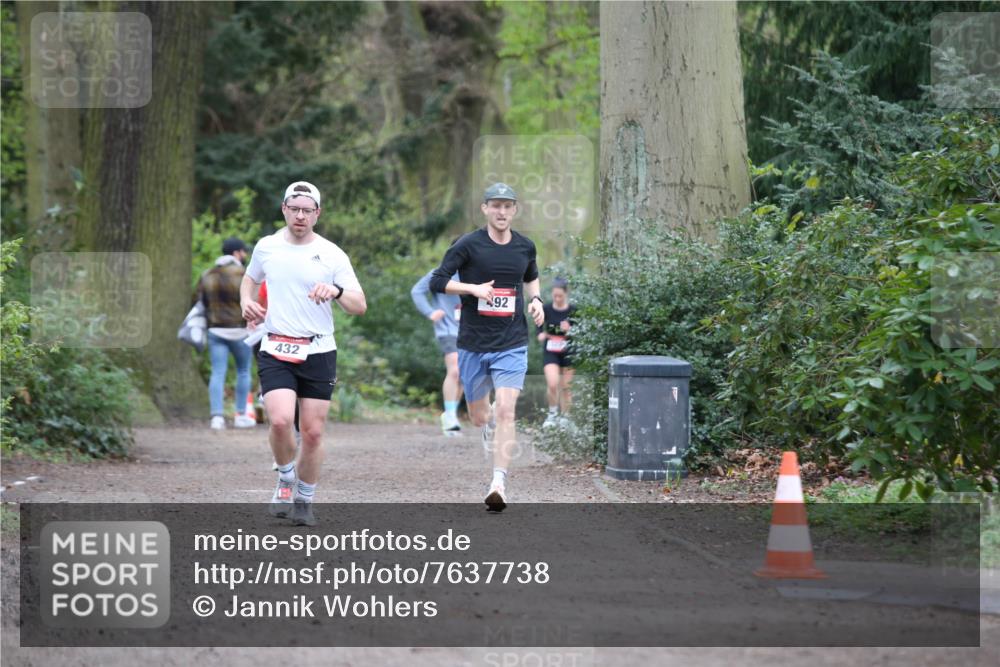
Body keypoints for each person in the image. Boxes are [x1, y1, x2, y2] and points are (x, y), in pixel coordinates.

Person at [240, 181, 366, 527]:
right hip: (276, 346)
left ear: (317, 214)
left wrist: (336, 290)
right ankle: (285, 477)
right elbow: (250, 279)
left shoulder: (332, 254)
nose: (300, 216)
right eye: (294, 209)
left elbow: (359, 305)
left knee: (312, 432)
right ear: (284, 209)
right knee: (280, 420)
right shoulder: (266, 247)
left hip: (319, 350)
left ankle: (305, 500)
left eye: (307, 211)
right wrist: (246, 301)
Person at [429, 182, 544, 512]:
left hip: (512, 342)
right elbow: (438, 281)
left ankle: (498, 483)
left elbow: (531, 276)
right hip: (473, 344)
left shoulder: (525, 246)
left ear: (515, 210)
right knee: (480, 416)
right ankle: (487, 421)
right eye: (496, 205)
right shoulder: (468, 245)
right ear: (485, 209)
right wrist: (473, 289)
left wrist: (536, 300)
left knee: (507, 410)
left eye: (507, 206)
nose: (502, 212)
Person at [196, 237, 254, 430]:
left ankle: (217, 417)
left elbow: (198, 302)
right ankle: (241, 415)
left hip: (215, 330)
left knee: (217, 372)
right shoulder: (245, 275)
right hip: (240, 331)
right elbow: (253, 301)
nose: (244, 255)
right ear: (237, 253)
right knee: (243, 371)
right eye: (243, 252)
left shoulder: (207, 274)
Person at [411, 265, 464, 436]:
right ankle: (450, 416)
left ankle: (450, 414)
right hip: (447, 329)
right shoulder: (440, 272)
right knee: (455, 370)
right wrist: (430, 312)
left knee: (464, 375)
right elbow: (417, 291)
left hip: (471, 331)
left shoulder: (478, 270)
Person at [537, 277, 576, 428]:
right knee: (553, 383)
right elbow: (539, 324)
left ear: (566, 293)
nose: (557, 299)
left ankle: (566, 418)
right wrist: (540, 333)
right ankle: (552, 415)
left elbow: (582, 331)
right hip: (551, 350)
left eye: (560, 296)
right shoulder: (546, 308)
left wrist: (570, 329)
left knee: (566, 386)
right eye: (555, 296)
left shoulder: (573, 310)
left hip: (568, 351)